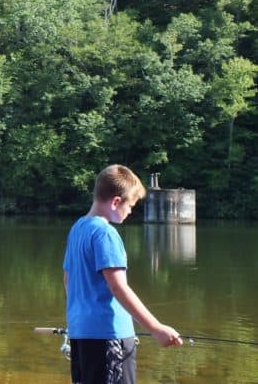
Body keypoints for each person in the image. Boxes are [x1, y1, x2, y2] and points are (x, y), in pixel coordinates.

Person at [62, 164, 182, 384]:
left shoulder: (77, 228)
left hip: (80, 334)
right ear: (116, 201)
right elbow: (118, 288)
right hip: (109, 336)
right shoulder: (105, 233)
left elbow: (68, 280)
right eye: (131, 205)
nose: (130, 212)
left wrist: (80, 319)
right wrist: (156, 328)